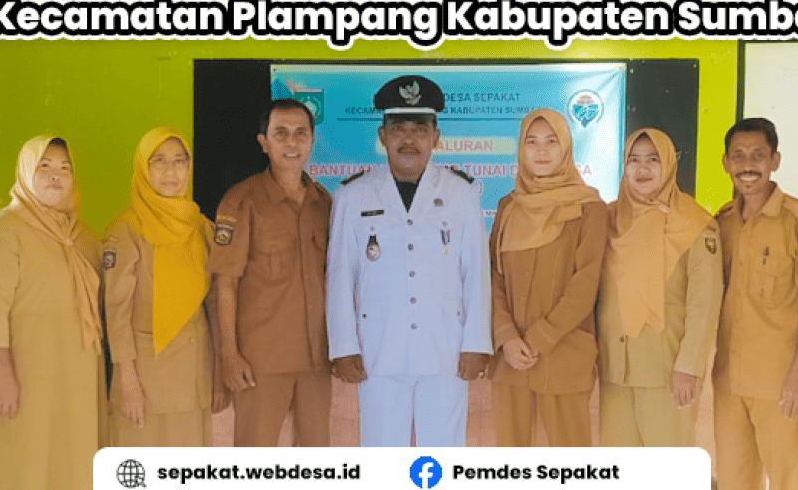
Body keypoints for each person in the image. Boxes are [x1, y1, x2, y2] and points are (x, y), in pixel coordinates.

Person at [326, 75, 490, 447]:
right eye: (398, 129)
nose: (408, 139)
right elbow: (340, 277)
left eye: (419, 129)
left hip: (445, 348)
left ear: (435, 137)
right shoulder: (354, 195)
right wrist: (344, 346)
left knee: (443, 454)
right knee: (382, 453)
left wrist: (477, 342)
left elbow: (476, 273)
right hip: (378, 348)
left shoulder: (461, 193)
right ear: (382, 136)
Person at [0, 136, 104, 489]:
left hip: (76, 374)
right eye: (44, 167)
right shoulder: (2, 230)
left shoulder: (84, 239)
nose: (55, 176)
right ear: (26, 172)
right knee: (24, 457)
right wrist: (2, 373)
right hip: (25, 373)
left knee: (71, 455)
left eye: (64, 168)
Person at [210, 99, 335, 447]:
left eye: (300, 134)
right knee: (255, 459)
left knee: (316, 460)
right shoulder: (242, 201)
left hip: (315, 359)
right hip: (260, 361)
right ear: (264, 142)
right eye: (280, 134)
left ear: (311, 141)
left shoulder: (323, 203)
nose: (291, 143)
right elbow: (225, 285)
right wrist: (229, 355)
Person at [712, 117, 798, 489]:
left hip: (779, 381)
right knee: (733, 480)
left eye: (758, 155)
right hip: (728, 380)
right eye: (739, 155)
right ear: (726, 163)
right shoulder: (722, 223)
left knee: (786, 480)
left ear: (775, 161)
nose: (748, 165)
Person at [489, 108, 607, 447]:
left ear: (566, 147)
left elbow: (586, 283)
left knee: (570, 462)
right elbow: (494, 277)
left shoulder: (589, 208)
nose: (541, 151)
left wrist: (538, 339)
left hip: (564, 353)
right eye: (532, 142)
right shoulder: (509, 207)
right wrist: (507, 337)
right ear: (521, 149)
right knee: (509, 464)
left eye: (551, 142)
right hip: (511, 359)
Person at [103, 128, 228, 446]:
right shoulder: (126, 230)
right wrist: (127, 381)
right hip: (146, 380)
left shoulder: (201, 227)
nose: (170, 170)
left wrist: (218, 372)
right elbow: (117, 313)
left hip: (194, 376)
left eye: (179, 161)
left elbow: (214, 305)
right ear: (143, 168)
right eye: (158, 161)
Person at [597, 128, 721, 447]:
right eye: (634, 160)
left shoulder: (695, 223)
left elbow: (704, 305)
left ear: (668, 164)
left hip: (667, 371)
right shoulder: (607, 220)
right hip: (615, 369)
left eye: (653, 160)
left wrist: (689, 367)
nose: (642, 169)